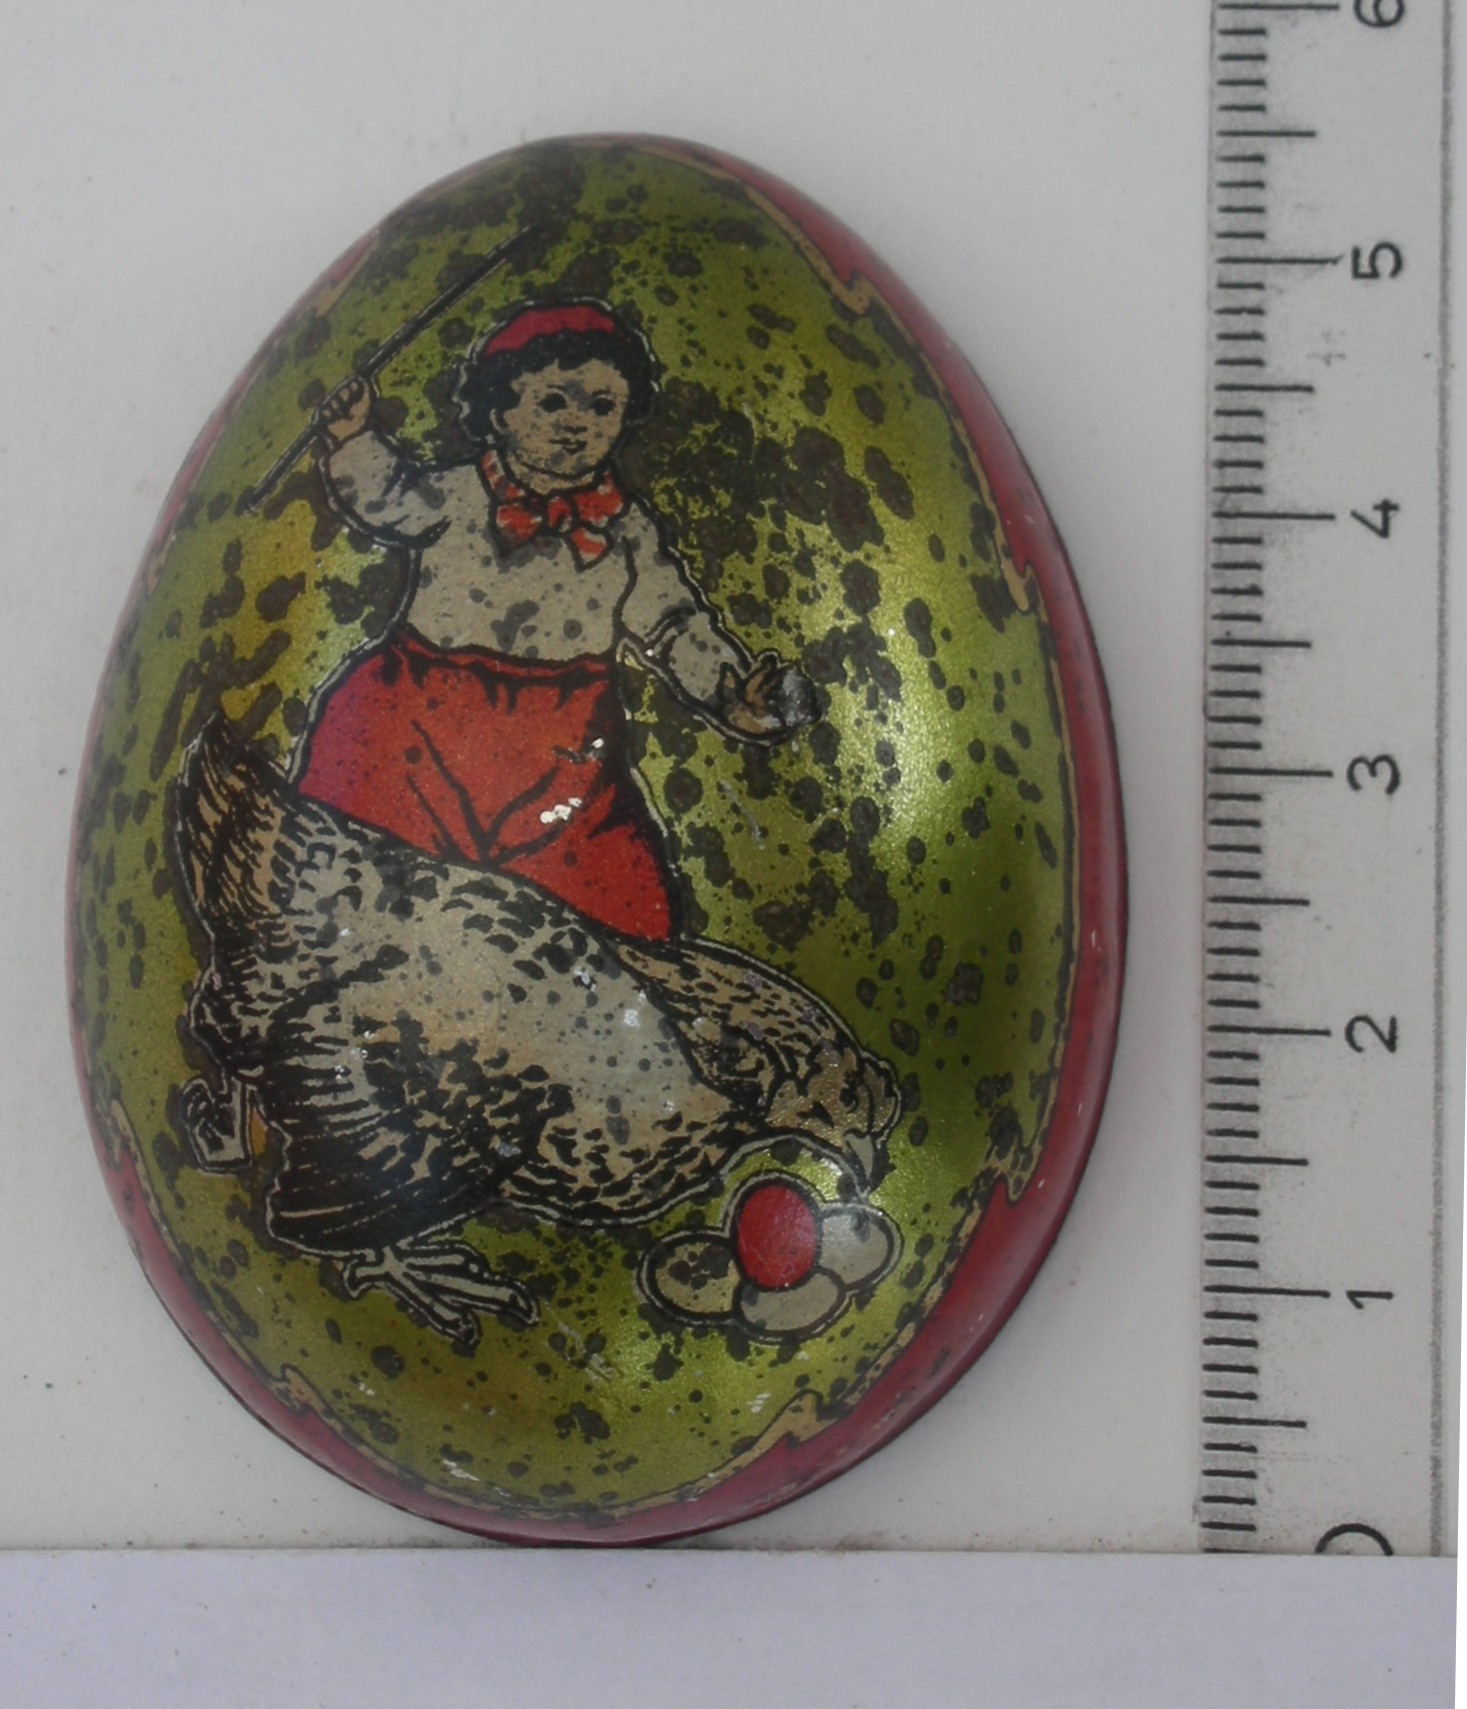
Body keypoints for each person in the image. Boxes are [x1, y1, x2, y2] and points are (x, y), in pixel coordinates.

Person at [293, 299, 815, 941]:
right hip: (419, 717)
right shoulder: (458, 493)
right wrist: (353, 438)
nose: (578, 423)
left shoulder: (624, 529)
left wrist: (729, 693)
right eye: (552, 402)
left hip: (565, 750)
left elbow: (673, 623)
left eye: (602, 406)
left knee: (609, 892)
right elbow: (388, 496)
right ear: (499, 411)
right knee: (371, 849)